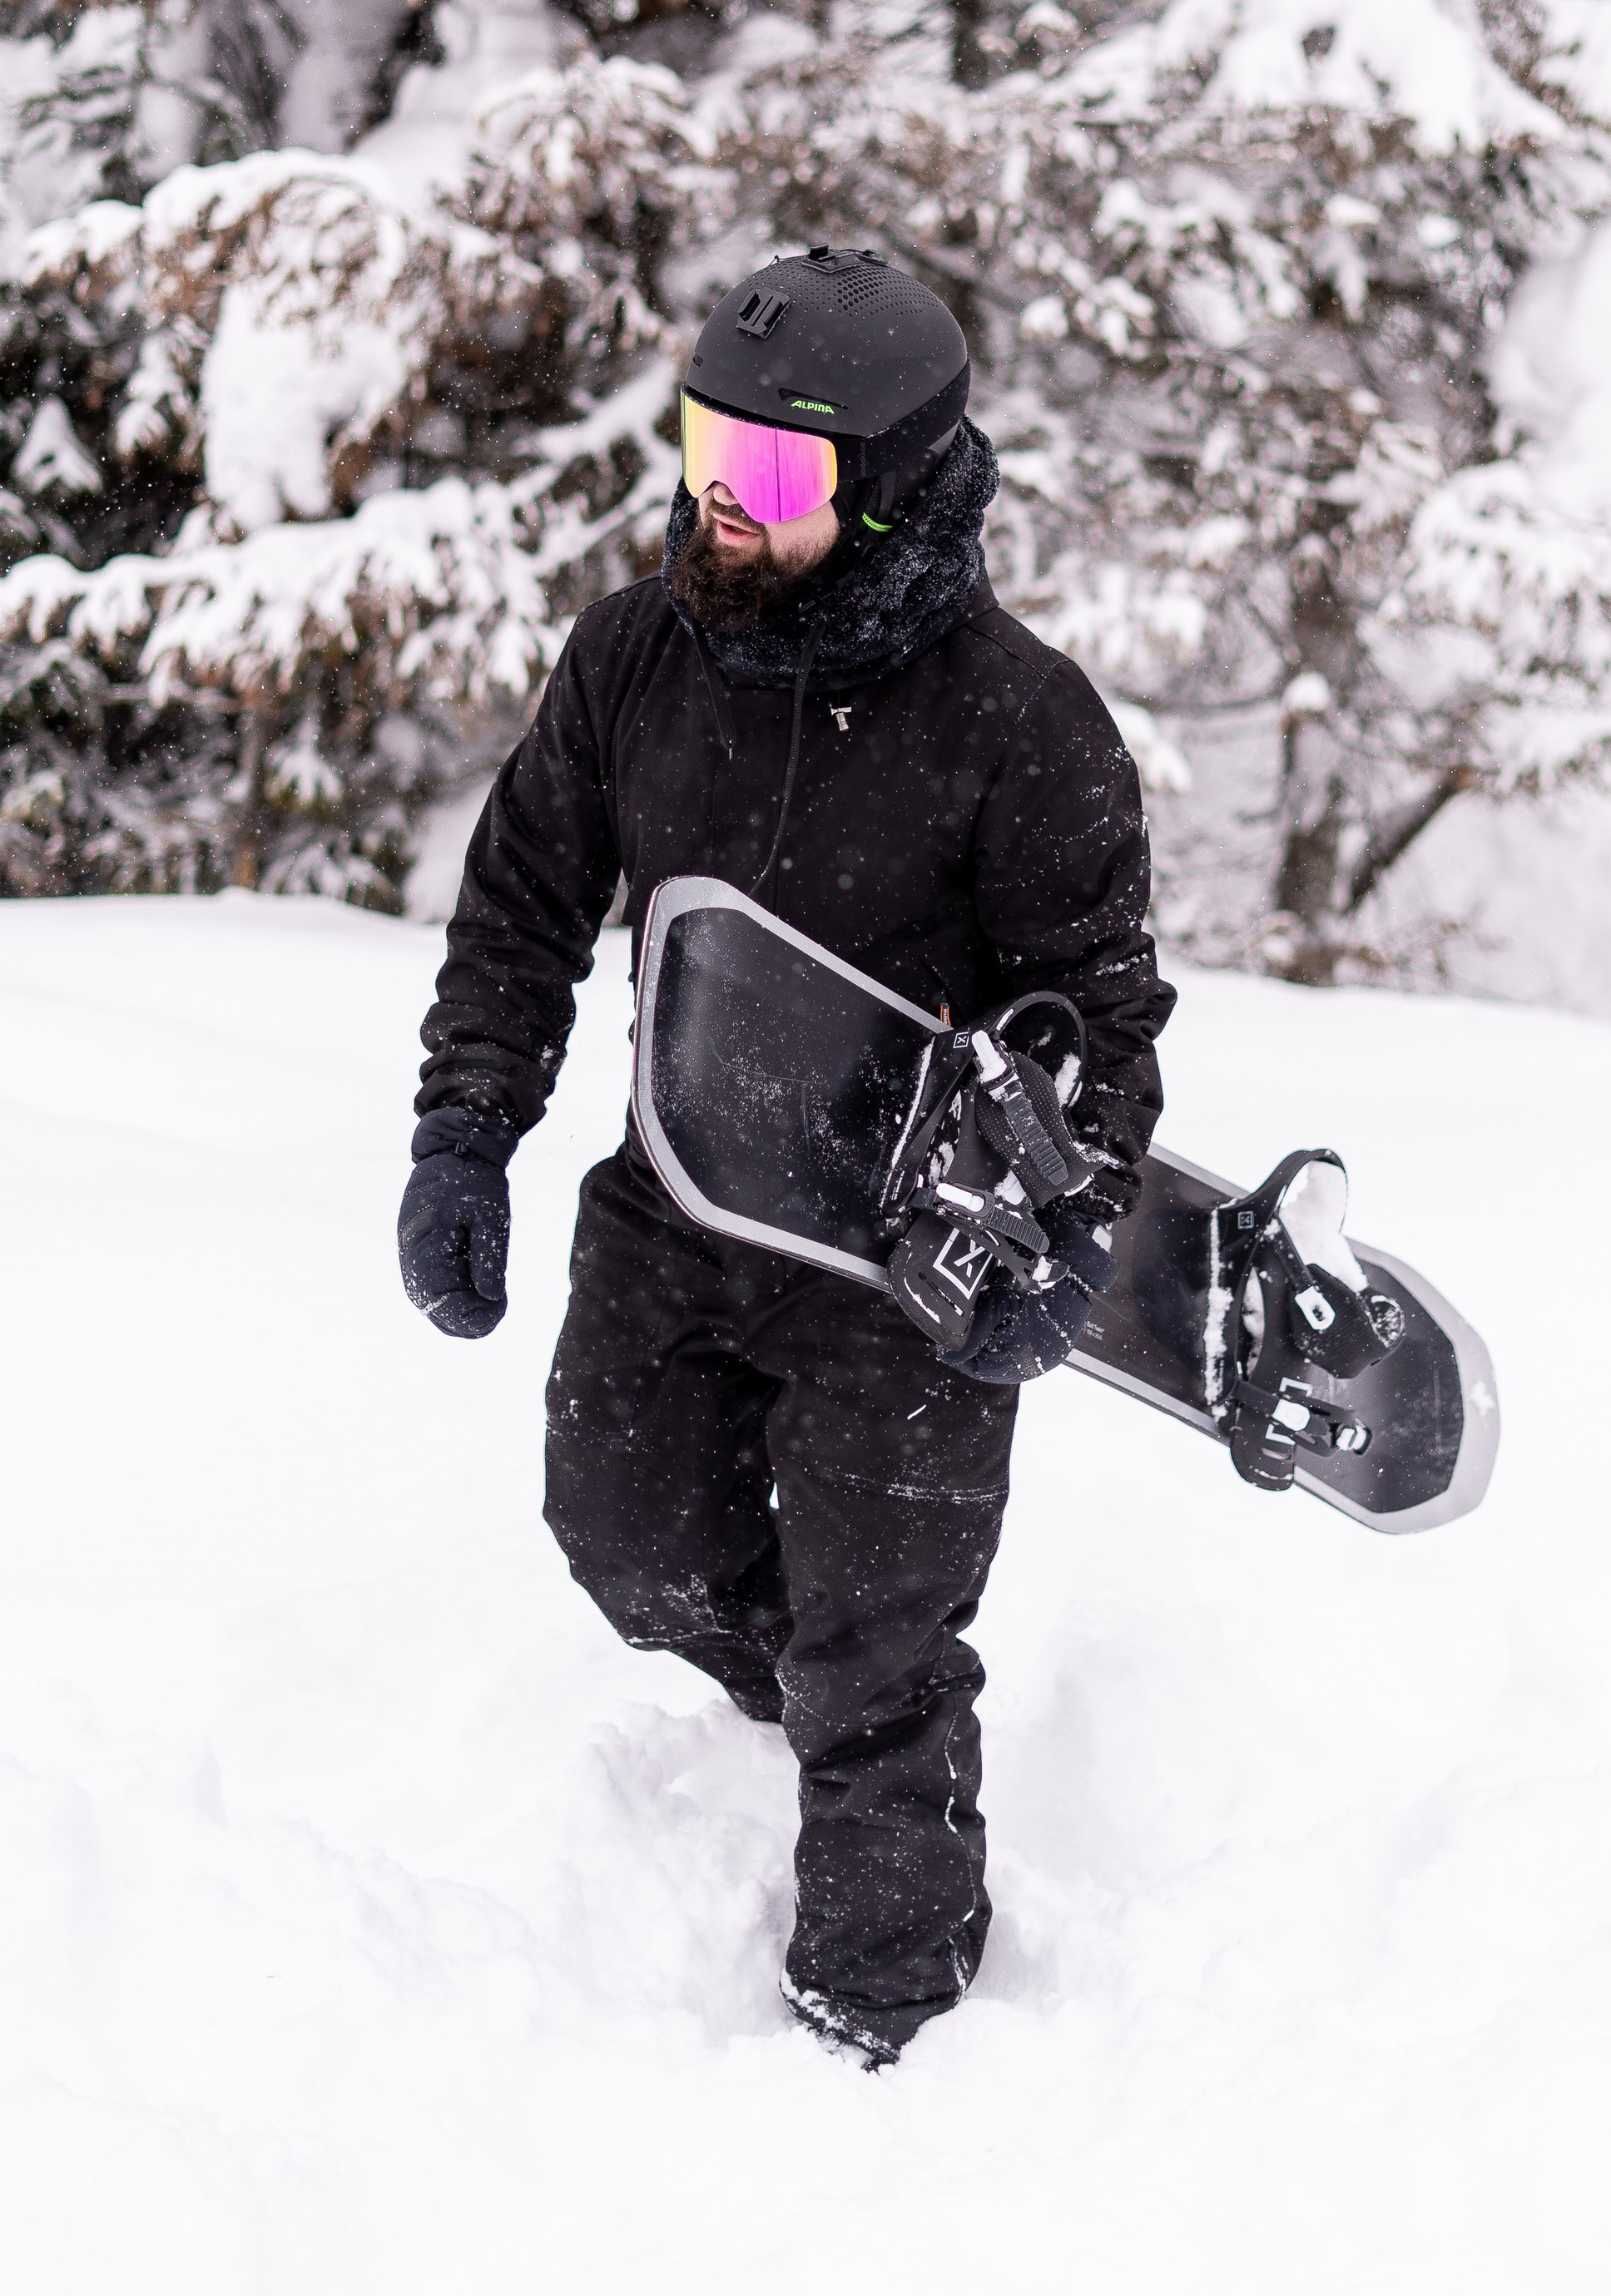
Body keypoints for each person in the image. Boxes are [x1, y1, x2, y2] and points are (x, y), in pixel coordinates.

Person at [399, 245, 1176, 2064]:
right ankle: (816, 1703)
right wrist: (464, 1135)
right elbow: (521, 907)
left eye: (767, 479)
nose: (712, 508)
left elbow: (1095, 1020)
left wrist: (1054, 1235)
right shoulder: (632, 659)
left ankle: (884, 2035)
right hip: (677, 1198)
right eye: (700, 450)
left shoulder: (1023, 727)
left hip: (904, 1265)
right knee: (625, 1548)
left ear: (889, 487)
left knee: (877, 1660)